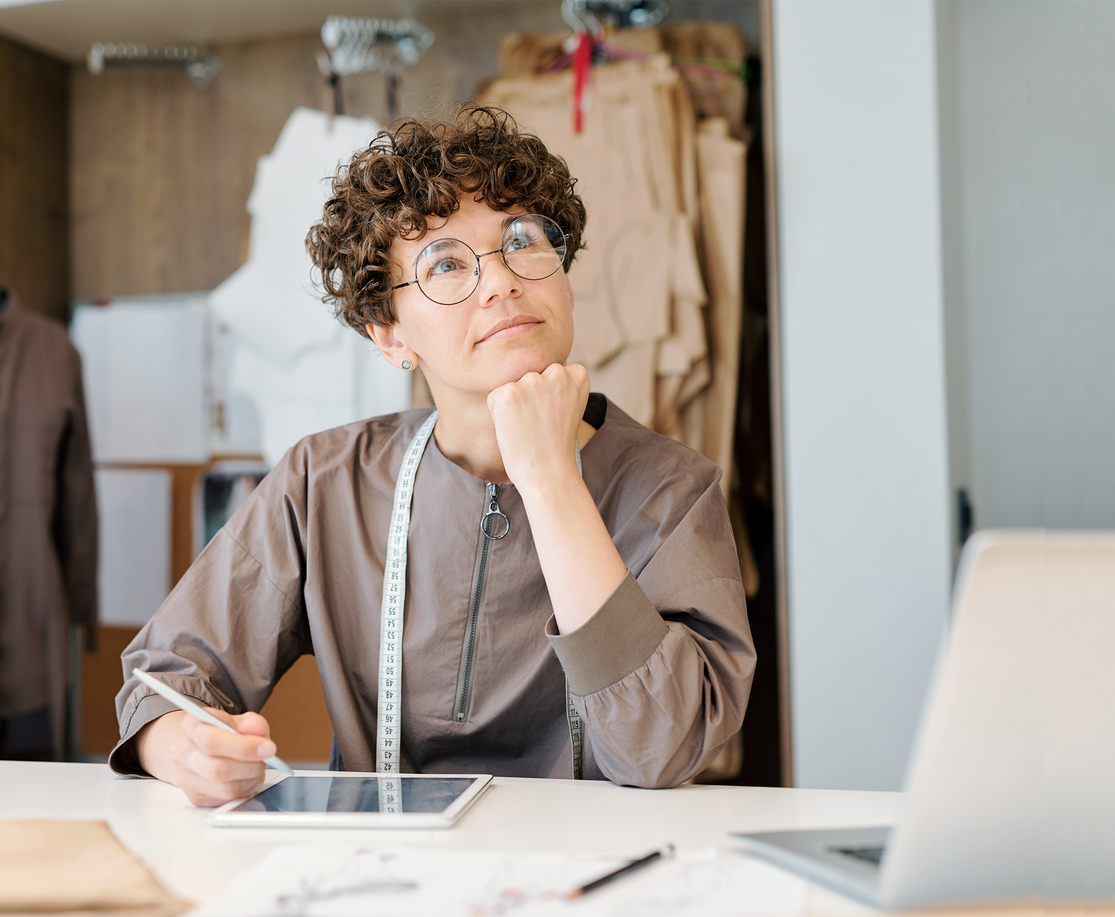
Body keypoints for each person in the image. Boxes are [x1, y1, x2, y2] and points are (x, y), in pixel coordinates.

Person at [111, 106, 755, 806]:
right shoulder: (321, 484)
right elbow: (163, 677)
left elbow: (661, 744)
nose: (502, 280)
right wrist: (181, 745)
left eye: (522, 241)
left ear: (563, 276)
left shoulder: (672, 491)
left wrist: (548, 478)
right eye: (446, 263)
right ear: (389, 335)